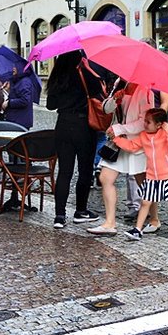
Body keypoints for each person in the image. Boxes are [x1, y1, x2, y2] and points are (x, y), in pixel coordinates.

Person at [86, 79, 163, 237]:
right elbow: (106, 109)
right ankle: (109, 223)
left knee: (144, 183)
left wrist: (119, 128)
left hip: (136, 144)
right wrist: (115, 99)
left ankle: (154, 219)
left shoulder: (145, 90)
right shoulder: (119, 83)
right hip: (118, 144)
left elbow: (145, 122)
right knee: (105, 177)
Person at [45, 50, 102, 229]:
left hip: (62, 125)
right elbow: (98, 94)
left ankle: (59, 216)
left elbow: (50, 105)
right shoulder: (85, 72)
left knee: (64, 171)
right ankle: (80, 210)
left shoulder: (56, 77)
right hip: (83, 125)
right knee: (85, 170)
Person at [111, 108, 168, 241]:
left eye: (148, 122)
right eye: (145, 121)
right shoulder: (144, 136)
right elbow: (132, 146)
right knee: (145, 202)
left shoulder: (165, 134)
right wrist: (116, 140)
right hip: (152, 176)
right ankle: (138, 229)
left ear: (159, 124)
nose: (144, 124)